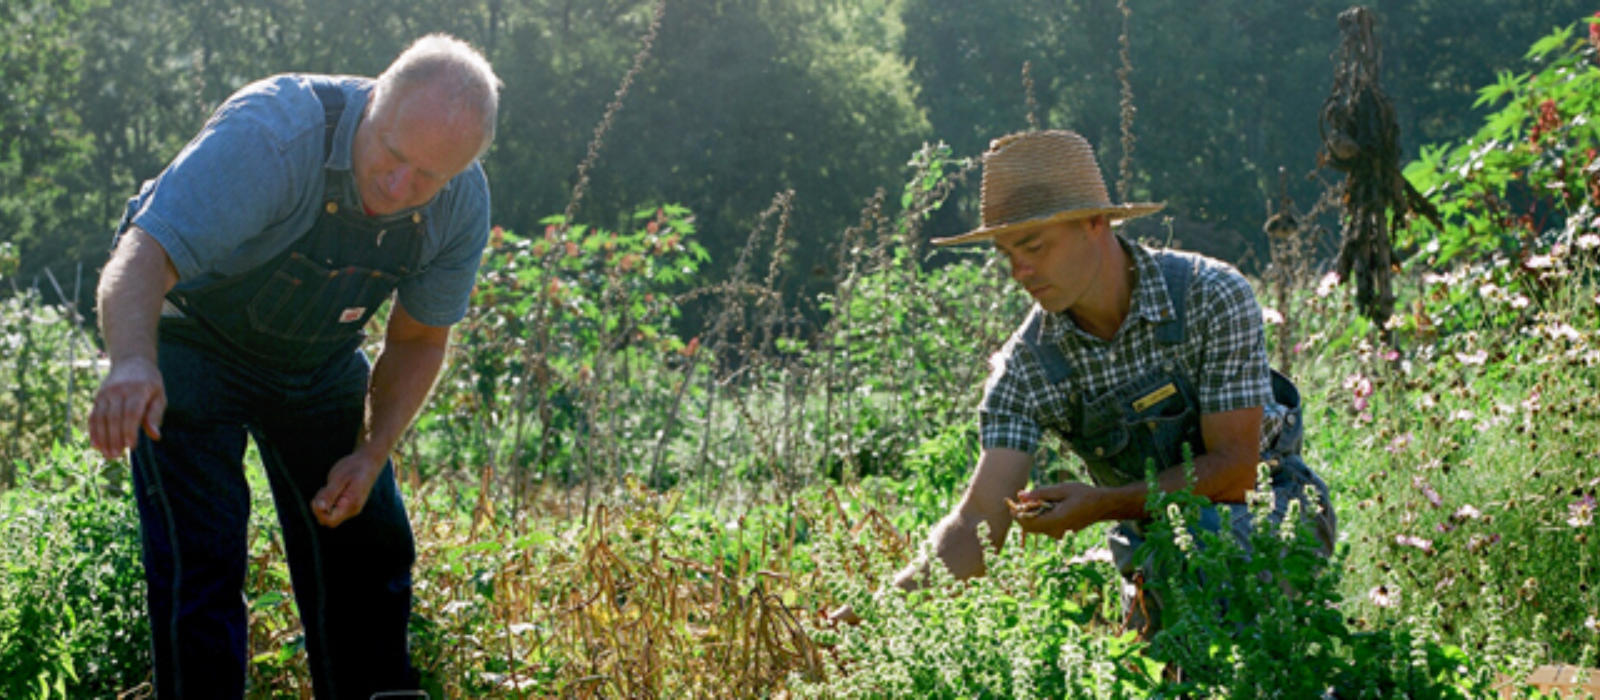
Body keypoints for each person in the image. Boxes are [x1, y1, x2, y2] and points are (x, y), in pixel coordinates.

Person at [87, 34, 501, 698]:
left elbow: (420, 338)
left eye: (427, 178)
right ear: (374, 104)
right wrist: (133, 363)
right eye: (391, 157)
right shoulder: (273, 134)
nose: (399, 188)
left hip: (320, 359)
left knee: (368, 541)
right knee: (206, 557)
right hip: (195, 340)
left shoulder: (460, 203)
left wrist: (371, 453)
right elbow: (143, 254)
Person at [880, 130, 1336, 635]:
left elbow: (1234, 472)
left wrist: (1100, 505)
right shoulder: (1027, 367)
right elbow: (979, 520)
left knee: (1209, 559)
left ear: (1096, 223)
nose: (1019, 271)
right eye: (1007, 253)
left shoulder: (1210, 295)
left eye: (1034, 246)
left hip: (1272, 517)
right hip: (1153, 547)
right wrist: (872, 614)